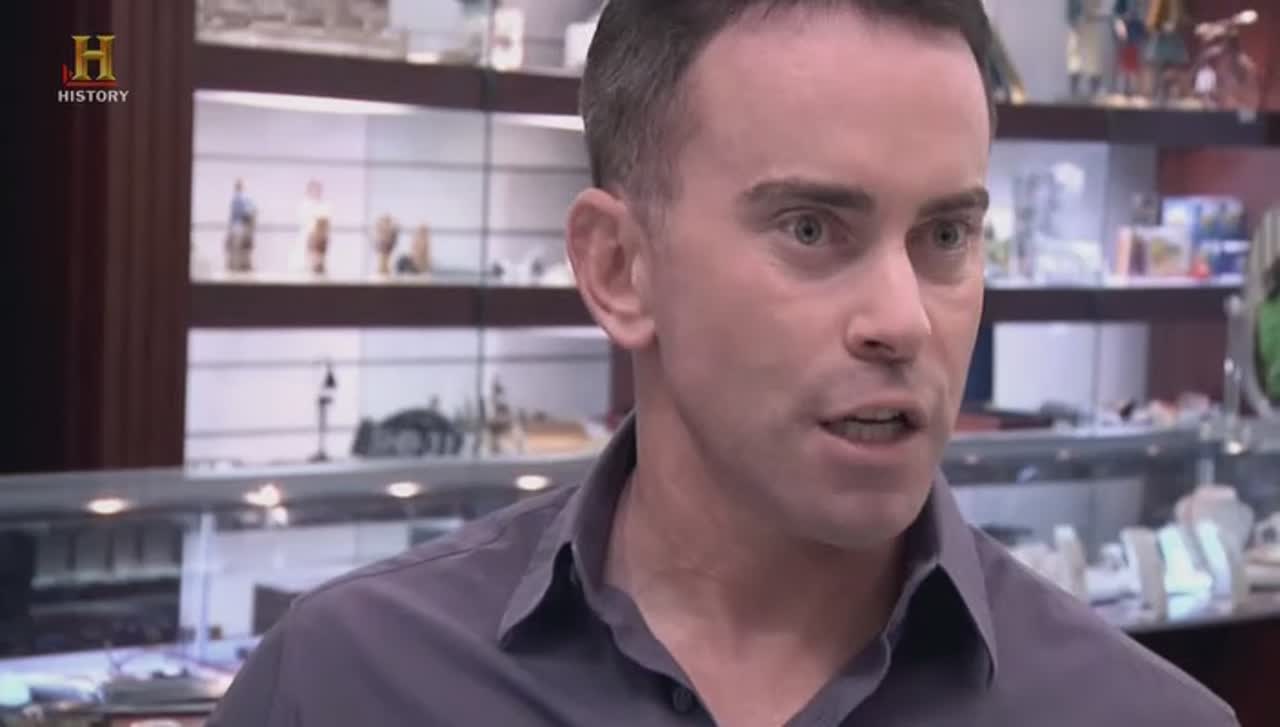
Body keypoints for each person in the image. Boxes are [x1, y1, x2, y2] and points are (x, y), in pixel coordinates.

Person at [210, 1, 1237, 725]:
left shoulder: (1136, 715)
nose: (902, 320)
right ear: (619, 268)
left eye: (945, 236)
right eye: (810, 228)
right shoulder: (346, 682)